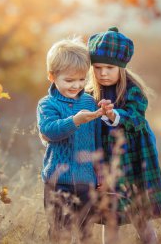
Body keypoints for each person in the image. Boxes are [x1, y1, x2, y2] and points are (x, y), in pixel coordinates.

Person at [86, 26, 161, 244]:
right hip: (106, 162)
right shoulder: (90, 94)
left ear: (121, 67)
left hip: (134, 159)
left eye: (110, 67)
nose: (103, 73)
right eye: (98, 67)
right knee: (109, 215)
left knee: (140, 213)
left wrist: (113, 114)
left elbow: (135, 117)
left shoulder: (133, 90)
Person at [36, 37, 111, 242]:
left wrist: (100, 174)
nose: (76, 85)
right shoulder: (47, 104)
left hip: (86, 182)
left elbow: (96, 140)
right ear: (52, 77)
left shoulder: (88, 100)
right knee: (60, 233)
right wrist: (74, 121)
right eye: (69, 80)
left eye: (81, 79)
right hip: (58, 182)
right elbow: (49, 131)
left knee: (85, 233)